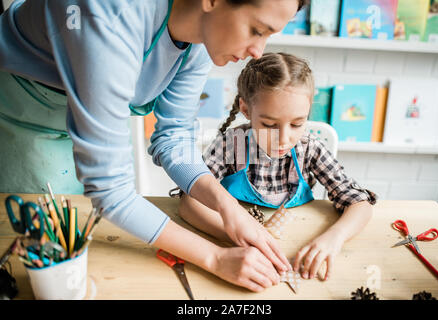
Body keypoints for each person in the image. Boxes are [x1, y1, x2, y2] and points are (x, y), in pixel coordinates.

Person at [0, 0, 307, 292]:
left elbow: (174, 137)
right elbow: (110, 190)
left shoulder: (199, 41)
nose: (258, 52)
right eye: (257, 30)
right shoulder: (109, 14)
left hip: (91, 123)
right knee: (42, 261)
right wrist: (214, 258)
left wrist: (228, 208)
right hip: (22, 117)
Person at [178, 52, 378, 281]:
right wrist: (237, 235)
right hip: (241, 244)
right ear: (245, 109)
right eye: (270, 125)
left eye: (297, 124)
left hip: (297, 240)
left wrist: (335, 237)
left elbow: (360, 204)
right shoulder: (231, 145)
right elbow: (189, 202)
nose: (283, 138)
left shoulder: (309, 149)